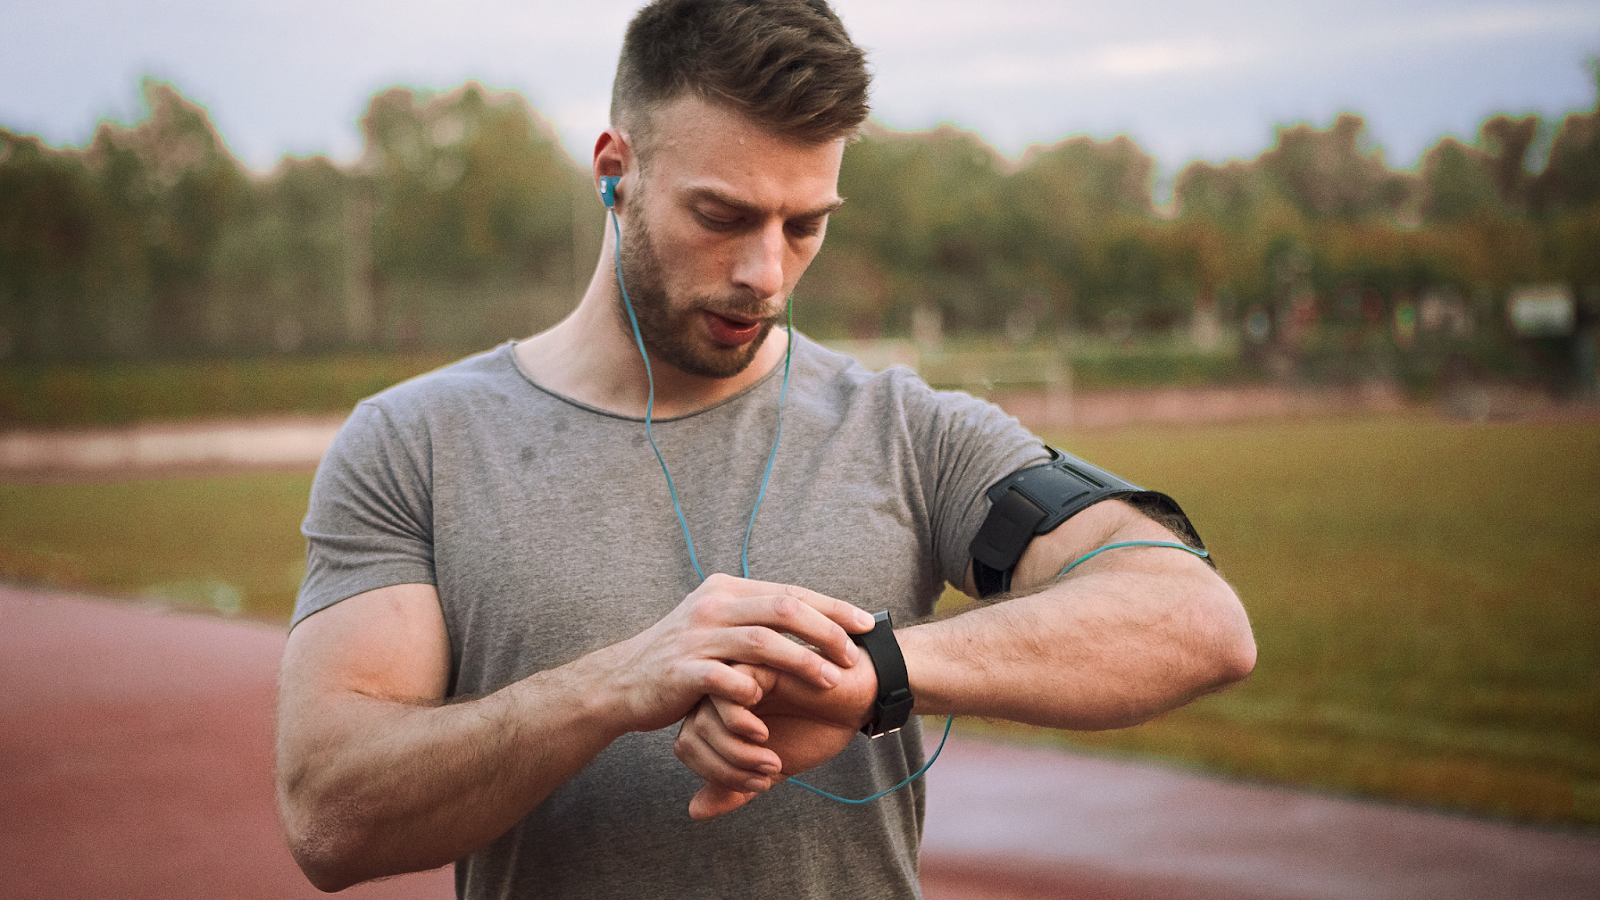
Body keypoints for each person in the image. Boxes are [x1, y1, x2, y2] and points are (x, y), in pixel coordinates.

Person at [274, 0, 1256, 896]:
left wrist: (874, 671)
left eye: (804, 225)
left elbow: (1194, 618)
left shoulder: (908, 429)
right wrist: (612, 688)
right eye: (723, 216)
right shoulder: (414, 443)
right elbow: (330, 818)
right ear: (615, 171)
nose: (764, 273)